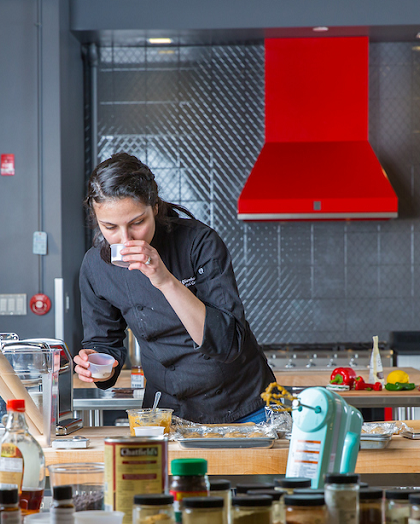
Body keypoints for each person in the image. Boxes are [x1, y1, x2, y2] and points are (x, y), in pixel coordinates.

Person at [73, 153, 276, 424]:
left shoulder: (199, 243)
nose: (125, 239)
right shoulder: (96, 266)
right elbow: (104, 343)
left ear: (154, 207)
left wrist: (165, 281)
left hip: (242, 405)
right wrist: (97, 365)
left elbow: (228, 343)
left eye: (137, 223)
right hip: (168, 411)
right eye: (110, 227)